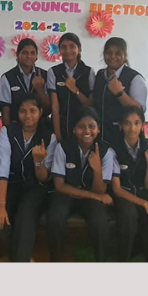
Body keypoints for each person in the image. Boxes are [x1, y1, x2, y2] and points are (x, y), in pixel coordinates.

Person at [0, 96, 57, 262]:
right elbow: (2, 167)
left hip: (36, 186)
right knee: (1, 215)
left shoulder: (49, 137)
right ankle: (18, 257)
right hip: (12, 182)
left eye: (33, 111)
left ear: (40, 112)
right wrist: (1, 204)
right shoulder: (7, 132)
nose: (28, 115)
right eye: (23, 111)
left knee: (26, 212)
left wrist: (38, 161)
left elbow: (43, 178)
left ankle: (21, 259)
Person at [47, 107, 112, 262]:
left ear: (98, 129)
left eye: (92, 126)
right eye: (81, 126)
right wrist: (94, 196)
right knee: (55, 217)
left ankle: (101, 261)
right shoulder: (63, 147)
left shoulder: (106, 151)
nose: (87, 131)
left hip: (92, 198)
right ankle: (55, 260)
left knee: (100, 221)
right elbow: (59, 186)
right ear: (74, 129)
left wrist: (97, 170)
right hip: (67, 194)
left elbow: (100, 190)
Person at [107, 106, 148, 262]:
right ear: (121, 125)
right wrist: (145, 204)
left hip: (144, 193)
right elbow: (116, 189)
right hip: (123, 196)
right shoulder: (113, 149)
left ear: (143, 125)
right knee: (129, 215)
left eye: (136, 123)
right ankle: (124, 259)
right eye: (127, 123)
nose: (132, 128)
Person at [93, 37, 147, 147]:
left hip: (123, 138)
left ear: (125, 56)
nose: (113, 56)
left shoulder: (135, 78)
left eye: (118, 53)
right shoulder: (100, 75)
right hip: (100, 135)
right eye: (109, 53)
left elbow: (139, 110)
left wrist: (120, 93)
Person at [47, 33, 96, 142]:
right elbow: (55, 107)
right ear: (59, 50)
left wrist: (75, 90)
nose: (68, 50)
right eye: (63, 47)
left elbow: (90, 104)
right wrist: (57, 135)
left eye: (72, 46)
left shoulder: (89, 72)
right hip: (62, 124)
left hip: (83, 127)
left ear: (79, 48)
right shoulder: (53, 72)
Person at [0, 38, 50, 129]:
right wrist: (7, 132)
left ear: (36, 56)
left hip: (41, 126)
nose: (29, 56)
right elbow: (5, 110)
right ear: (18, 54)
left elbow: (48, 109)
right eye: (25, 53)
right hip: (16, 126)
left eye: (32, 53)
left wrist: (40, 90)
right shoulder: (7, 77)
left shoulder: (45, 75)